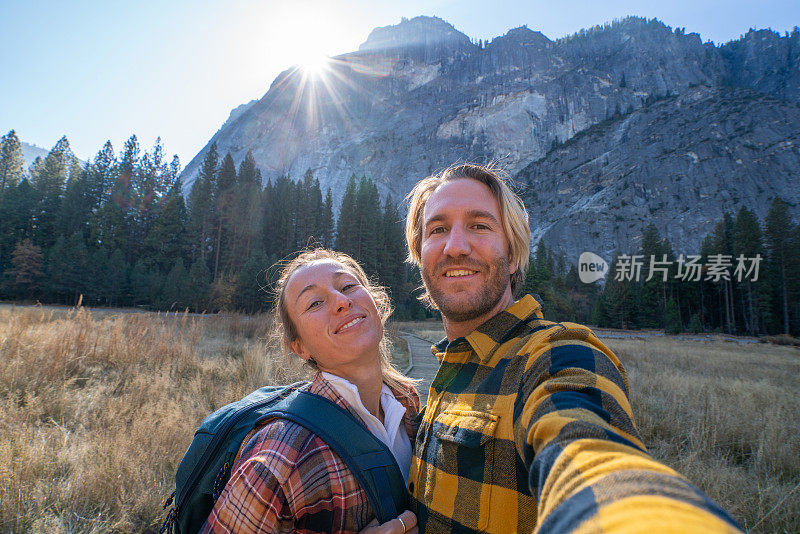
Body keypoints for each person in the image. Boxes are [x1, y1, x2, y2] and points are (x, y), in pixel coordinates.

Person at [386, 163, 742, 533]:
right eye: (438, 229)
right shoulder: (447, 372)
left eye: (479, 225)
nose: (455, 246)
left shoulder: (557, 354)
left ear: (512, 256)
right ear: (421, 254)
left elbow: (589, 454)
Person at [203, 249, 419, 534]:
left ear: (376, 305)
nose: (342, 301)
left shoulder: (410, 404)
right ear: (299, 347)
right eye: (315, 302)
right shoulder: (280, 459)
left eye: (348, 286)